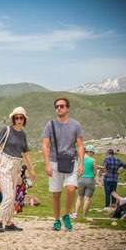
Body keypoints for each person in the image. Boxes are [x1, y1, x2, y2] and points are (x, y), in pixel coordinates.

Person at [0, 107, 37, 232]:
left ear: (24, 119)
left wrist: (32, 170)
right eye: (16, 117)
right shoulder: (6, 130)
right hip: (5, 165)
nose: (18, 120)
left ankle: (9, 222)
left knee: (12, 196)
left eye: (21, 118)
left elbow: (26, 154)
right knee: (8, 196)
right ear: (13, 118)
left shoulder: (23, 135)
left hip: (17, 167)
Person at [42, 97, 84, 232]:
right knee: (56, 194)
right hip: (54, 161)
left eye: (62, 106)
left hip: (71, 161)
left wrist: (81, 163)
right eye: (57, 106)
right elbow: (45, 145)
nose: (59, 108)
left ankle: (66, 214)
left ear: (67, 108)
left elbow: (80, 145)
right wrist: (47, 164)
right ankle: (56, 220)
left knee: (71, 188)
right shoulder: (50, 125)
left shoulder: (75, 125)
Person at [71, 145, 97, 219]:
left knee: (79, 197)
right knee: (87, 198)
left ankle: (75, 213)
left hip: (81, 180)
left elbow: (77, 170)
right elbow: (95, 172)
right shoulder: (93, 160)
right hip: (90, 180)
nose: (93, 154)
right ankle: (84, 215)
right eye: (92, 152)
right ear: (89, 152)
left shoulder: (80, 159)